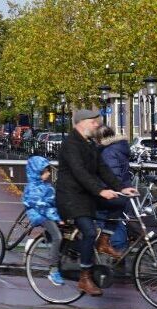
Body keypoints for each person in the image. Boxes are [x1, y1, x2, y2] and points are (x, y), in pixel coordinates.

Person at [55, 110, 137, 296]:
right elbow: (79, 172)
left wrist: (121, 187)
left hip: (87, 195)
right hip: (71, 198)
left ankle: (104, 240)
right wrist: (100, 190)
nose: (97, 125)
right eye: (94, 122)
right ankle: (85, 277)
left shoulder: (89, 143)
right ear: (81, 122)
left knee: (119, 203)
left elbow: (102, 169)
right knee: (89, 231)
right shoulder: (70, 144)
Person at [23, 156, 64, 285]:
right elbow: (42, 207)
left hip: (48, 213)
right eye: (45, 171)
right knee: (57, 236)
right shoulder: (33, 188)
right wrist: (57, 217)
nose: (48, 173)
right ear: (37, 173)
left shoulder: (44, 185)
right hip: (39, 215)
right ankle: (53, 270)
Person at [97, 125, 133, 256]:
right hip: (123, 189)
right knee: (117, 221)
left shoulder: (108, 152)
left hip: (115, 193)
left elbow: (112, 175)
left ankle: (117, 252)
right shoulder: (119, 147)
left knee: (109, 221)